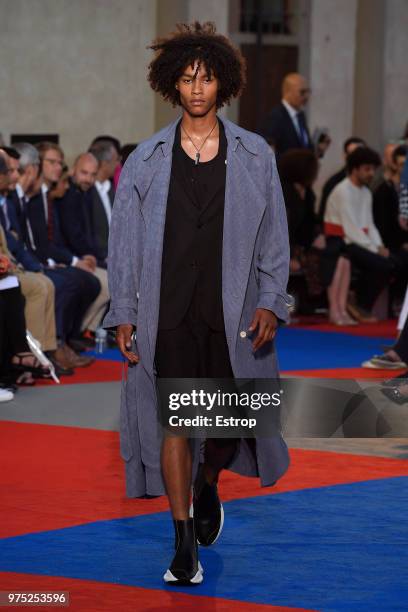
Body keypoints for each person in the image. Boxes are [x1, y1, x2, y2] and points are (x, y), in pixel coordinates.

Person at [103, 21, 292, 586]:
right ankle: (182, 540)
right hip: (168, 313)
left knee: (230, 424)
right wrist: (124, 312)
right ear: (171, 85)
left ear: (223, 84)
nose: (197, 88)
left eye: (206, 78)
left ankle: (209, 482)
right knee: (176, 425)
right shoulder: (146, 161)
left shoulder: (256, 155)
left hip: (233, 314)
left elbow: (274, 239)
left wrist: (269, 300)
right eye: (187, 79)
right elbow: (125, 245)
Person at [324, 147, 395, 323]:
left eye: (373, 169)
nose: (371, 173)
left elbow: (369, 225)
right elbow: (350, 229)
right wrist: (374, 249)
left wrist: (379, 246)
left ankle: (359, 304)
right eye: (367, 169)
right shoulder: (343, 190)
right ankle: (358, 305)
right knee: (382, 265)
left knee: (393, 263)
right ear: (355, 169)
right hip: (341, 241)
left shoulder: (366, 192)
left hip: (358, 242)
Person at [55, 153, 110, 335]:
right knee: (107, 282)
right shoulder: (67, 193)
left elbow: (87, 233)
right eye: (84, 173)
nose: (88, 179)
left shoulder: (84, 193)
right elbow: (72, 234)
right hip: (71, 256)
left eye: (92, 175)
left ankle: (86, 330)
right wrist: (90, 256)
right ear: (73, 171)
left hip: (82, 254)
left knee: (113, 279)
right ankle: (78, 332)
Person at [260, 72, 330, 158]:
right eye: (302, 92)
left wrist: (318, 149)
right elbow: (267, 153)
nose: (307, 96)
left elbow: (303, 149)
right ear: (288, 92)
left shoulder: (300, 116)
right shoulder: (275, 117)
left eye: (308, 91)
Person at [318, 137, 366, 222]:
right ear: (345, 156)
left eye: (362, 155)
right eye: (353, 154)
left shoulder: (367, 183)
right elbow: (324, 217)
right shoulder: (334, 183)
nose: (358, 159)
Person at [88, 140, 119, 260]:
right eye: (116, 160)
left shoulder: (111, 189)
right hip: (98, 257)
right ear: (105, 163)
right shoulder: (87, 192)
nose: (118, 164)